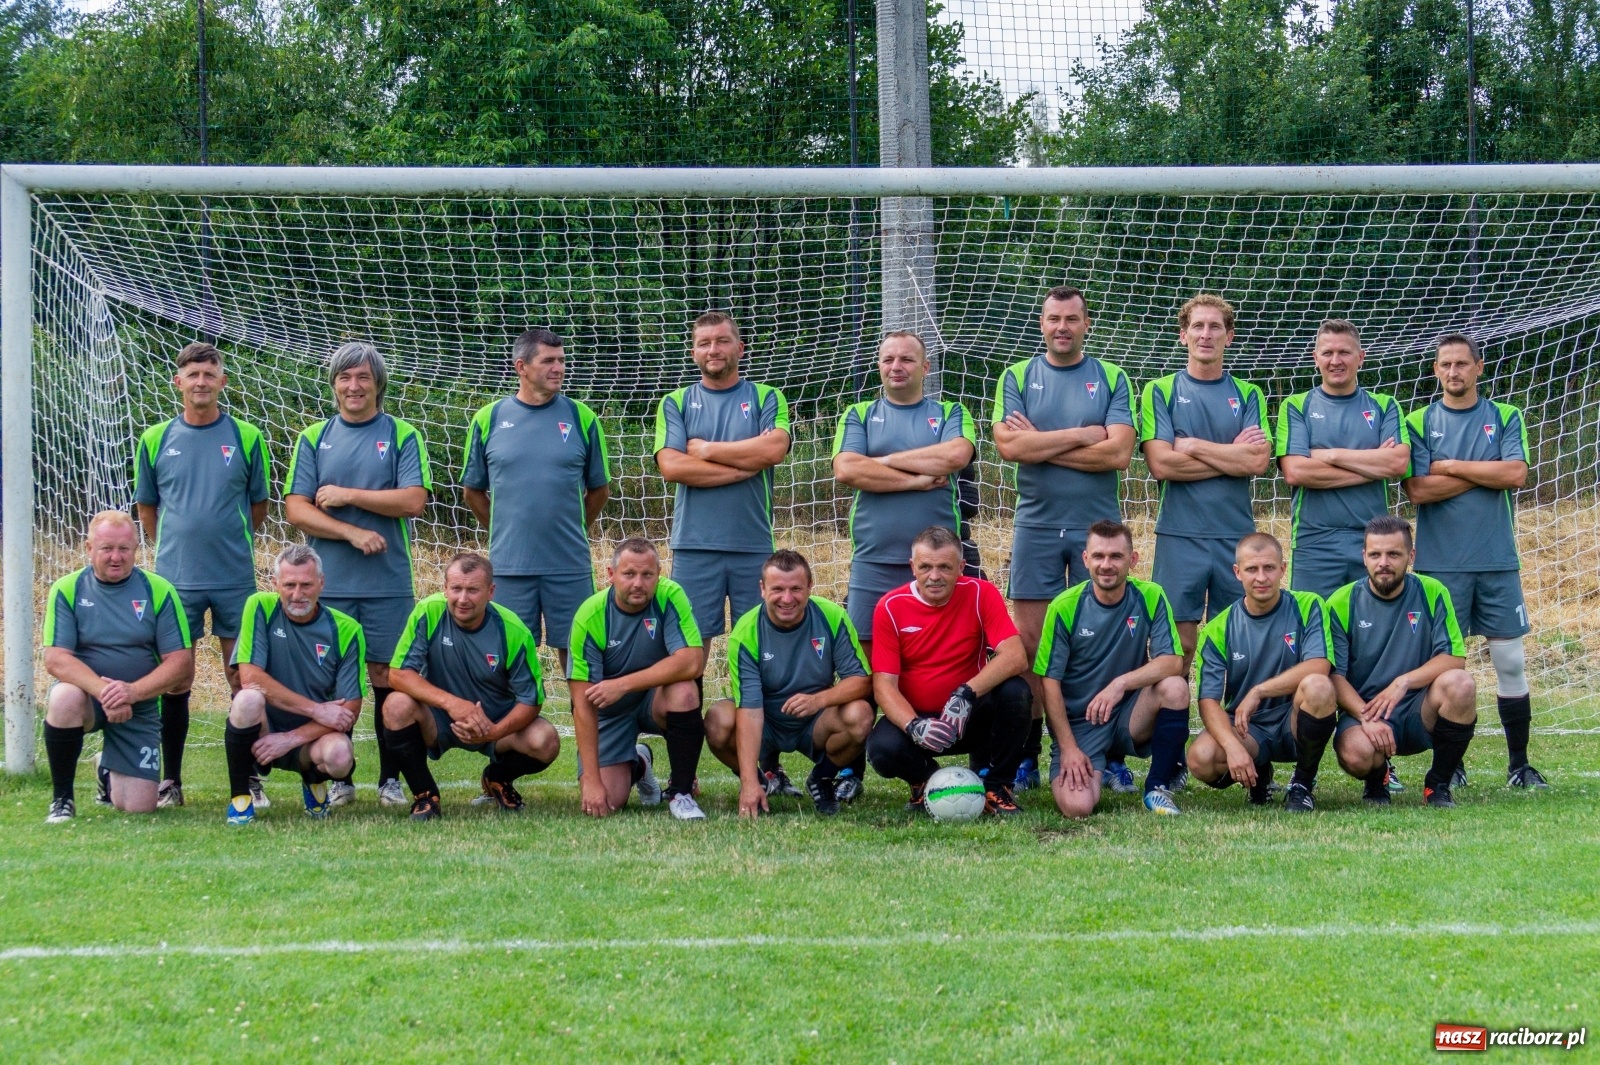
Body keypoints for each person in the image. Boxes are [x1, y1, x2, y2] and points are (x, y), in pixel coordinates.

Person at [992, 286, 1136, 793]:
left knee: (1107, 648)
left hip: (1098, 532)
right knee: (1033, 648)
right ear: (1041, 323)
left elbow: (1118, 454)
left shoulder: (1113, 377)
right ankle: (1031, 755)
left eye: (1072, 319)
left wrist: (1041, 445)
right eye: (1054, 319)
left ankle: (1109, 753)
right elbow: (1009, 446)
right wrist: (1081, 435)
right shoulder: (1016, 376)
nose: (1062, 327)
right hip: (1035, 527)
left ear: (1086, 324)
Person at [284, 341, 432, 807]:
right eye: (345, 378)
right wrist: (350, 533)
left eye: (363, 377)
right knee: (331, 681)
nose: (354, 386)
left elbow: (412, 500)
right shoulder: (313, 437)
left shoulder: (403, 434)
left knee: (387, 677)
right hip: (327, 586)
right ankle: (339, 775)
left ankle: (389, 779)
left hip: (387, 584)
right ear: (333, 385)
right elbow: (296, 509)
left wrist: (348, 494)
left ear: (378, 385)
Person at [834, 330, 977, 801]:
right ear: (879, 365)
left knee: (964, 657)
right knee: (862, 670)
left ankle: (979, 761)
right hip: (874, 564)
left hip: (940, 568)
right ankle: (851, 770)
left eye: (907, 359)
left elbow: (956, 455)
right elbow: (849, 469)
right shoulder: (858, 414)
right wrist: (917, 481)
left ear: (925, 367)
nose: (897, 366)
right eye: (888, 359)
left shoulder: (951, 414)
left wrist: (886, 462)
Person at [1403, 334, 1546, 789]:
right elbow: (1418, 490)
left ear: (1478, 367)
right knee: (1447, 669)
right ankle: (1452, 762)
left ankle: (1519, 765)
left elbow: (1516, 474)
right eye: (1445, 364)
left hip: (1497, 561)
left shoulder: (1505, 416)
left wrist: (1448, 466)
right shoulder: (1418, 420)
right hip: (1440, 567)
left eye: (1462, 363)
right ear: (1435, 370)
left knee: (1509, 662)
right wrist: (1484, 471)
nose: (1453, 372)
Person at [134, 341, 270, 809]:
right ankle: (171, 781)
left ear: (222, 382)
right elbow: (147, 509)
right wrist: (177, 549)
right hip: (175, 580)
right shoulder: (154, 439)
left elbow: (258, 507)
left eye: (210, 374)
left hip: (234, 578)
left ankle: (249, 779)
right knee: (176, 679)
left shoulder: (248, 437)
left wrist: (223, 540)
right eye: (193, 374)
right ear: (179, 382)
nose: (201, 381)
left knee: (241, 678)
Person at [463, 328, 610, 671]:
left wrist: (570, 528)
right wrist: (504, 530)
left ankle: (587, 726)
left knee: (580, 662)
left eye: (561, 360)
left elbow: (600, 490)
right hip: (510, 568)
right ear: (522, 367)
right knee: (508, 663)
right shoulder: (489, 418)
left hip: (568, 566)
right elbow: (472, 491)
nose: (558, 368)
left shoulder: (582, 417)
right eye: (548, 361)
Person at [1140, 295, 1272, 672]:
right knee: (1178, 645)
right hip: (1180, 535)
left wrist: (1195, 445)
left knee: (1236, 642)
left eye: (1215, 327)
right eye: (1197, 326)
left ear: (1229, 336)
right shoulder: (1159, 390)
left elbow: (1258, 461)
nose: (1206, 334)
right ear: (1183, 335)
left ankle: (1230, 728)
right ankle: (1172, 727)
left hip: (1235, 535)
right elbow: (1162, 464)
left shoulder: (1249, 394)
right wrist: (1232, 457)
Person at [865, 526, 1032, 816]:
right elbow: (884, 686)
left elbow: (1016, 657)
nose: (934, 576)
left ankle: (997, 786)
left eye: (944, 567)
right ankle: (925, 782)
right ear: (912, 568)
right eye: (926, 567)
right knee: (882, 749)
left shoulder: (981, 593)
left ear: (961, 567)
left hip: (969, 714)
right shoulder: (889, 607)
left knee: (1016, 692)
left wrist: (966, 694)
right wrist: (914, 725)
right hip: (921, 721)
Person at [41, 511, 194, 822]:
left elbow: (180, 663)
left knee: (139, 807)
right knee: (63, 698)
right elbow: (56, 658)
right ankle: (62, 799)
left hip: (138, 704)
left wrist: (133, 693)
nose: (115, 557)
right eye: (106, 548)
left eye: (124, 549)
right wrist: (106, 692)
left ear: (136, 549)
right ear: (88, 548)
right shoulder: (67, 589)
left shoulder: (159, 590)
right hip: (90, 698)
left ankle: (106, 772)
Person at [383, 553, 559, 820]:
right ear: (445, 588)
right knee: (395, 705)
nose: (463, 599)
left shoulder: (513, 630)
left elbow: (531, 701)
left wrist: (493, 731)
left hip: (494, 722)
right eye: (456, 589)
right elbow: (397, 675)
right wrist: (452, 704)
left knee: (545, 740)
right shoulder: (428, 612)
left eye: (473, 590)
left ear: (490, 592)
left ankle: (496, 779)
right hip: (439, 719)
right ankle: (426, 796)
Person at [1034, 520, 1189, 818]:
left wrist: (1120, 684)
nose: (1107, 565)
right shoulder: (1064, 606)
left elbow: (1172, 661)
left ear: (1132, 560)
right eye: (1099, 556)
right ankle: (1098, 766)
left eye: (1116, 557)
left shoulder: (1151, 595)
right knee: (1077, 808)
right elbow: (1048, 683)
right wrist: (1067, 747)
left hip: (1129, 713)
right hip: (1083, 723)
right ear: (1085, 559)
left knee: (1175, 687)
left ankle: (1157, 788)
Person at [653, 312, 790, 641]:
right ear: (694, 353)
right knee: (689, 649)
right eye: (704, 343)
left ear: (740, 348)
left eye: (722, 341)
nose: (713, 349)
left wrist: (706, 450)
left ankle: (750, 697)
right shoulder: (676, 402)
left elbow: (772, 451)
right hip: (694, 547)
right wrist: (745, 465)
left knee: (759, 644)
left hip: (753, 545)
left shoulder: (766, 396)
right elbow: (673, 467)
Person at [705, 550, 873, 817]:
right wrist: (747, 782)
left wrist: (818, 700)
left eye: (796, 588)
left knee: (860, 714)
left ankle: (822, 779)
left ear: (809, 587)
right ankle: (758, 781)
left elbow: (862, 681)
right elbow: (749, 709)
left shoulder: (832, 616)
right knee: (717, 719)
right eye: (778, 589)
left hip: (815, 722)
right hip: (766, 724)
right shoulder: (745, 633)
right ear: (762, 589)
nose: (787, 598)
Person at [1328, 516, 1476, 807]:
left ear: (1411, 556)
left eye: (1394, 554)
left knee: (1461, 684)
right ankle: (1377, 777)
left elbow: (1455, 658)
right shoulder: (1340, 602)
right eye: (1375, 554)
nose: (1384, 562)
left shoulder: (1432, 592)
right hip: (1365, 710)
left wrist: (1404, 681)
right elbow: (1334, 676)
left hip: (1417, 709)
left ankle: (1438, 784)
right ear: (1364, 557)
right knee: (1356, 753)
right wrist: (1365, 716)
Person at [1186, 533, 1338, 812]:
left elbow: (1320, 665)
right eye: (1252, 569)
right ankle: (1258, 777)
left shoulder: (1308, 605)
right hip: (1248, 728)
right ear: (1237, 572)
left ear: (1283, 569)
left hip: (1293, 719)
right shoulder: (1217, 629)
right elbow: (1208, 701)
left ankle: (1302, 784)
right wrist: (1232, 746)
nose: (1261, 577)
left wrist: (1259, 690)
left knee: (1319, 686)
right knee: (1201, 758)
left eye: (1269, 568)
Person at [568, 538, 708, 820]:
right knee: (607, 802)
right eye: (629, 574)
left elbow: (692, 661)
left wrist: (622, 684)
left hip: (654, 700)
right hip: (611, 713)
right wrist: (593, 781)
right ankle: (640, 763)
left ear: (659, 574)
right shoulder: (590, 615)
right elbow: (582, 704)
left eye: (647, 575)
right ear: (610, 575)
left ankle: (681, 792)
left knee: (685, 690)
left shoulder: (670, 596)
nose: (638, 583)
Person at [224, 545, 362, 824]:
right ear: (275, 583)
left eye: (306, 585)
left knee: (339, 756)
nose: (297, 594)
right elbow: (250, 677)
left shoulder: (347, 629)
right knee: (247, 699)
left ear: (321, 584)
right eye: (289, 585)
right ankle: (240, 799)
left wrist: (289, 739)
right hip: (263, 729)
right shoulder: (260, 607)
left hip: (311, 738)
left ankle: (313, 781)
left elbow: (350, 709)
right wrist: (316, 710)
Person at [1276, 319, 1410, 596]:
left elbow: (1397, 463)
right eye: (1327, 353)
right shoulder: (1296, 406)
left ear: (1360, 358)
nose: (1335, 361)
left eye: (1344, 352)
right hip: (1314, 542)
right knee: (1313, 630)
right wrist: (1373, 464)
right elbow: (1297, 472)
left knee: (1370, 631)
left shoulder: (1385, 406)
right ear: (1316, 358)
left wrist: (1331, 455)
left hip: (1374, 542)